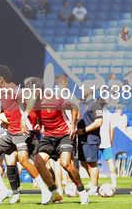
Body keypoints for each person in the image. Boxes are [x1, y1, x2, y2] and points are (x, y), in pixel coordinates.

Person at [0, 65, 53, 205]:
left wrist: (24, 117)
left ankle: (45, 190)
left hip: (21, 132)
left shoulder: (13, 89)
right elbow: (4, 108)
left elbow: (31, 98)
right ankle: (5, 191)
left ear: (0, 79)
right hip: (10, 132)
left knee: (23, 159)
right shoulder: (2, 91)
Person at [24, 77, 89, 205]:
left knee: (66, 164)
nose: (28, 93)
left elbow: (74, 106)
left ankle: (82, 191)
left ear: (38, 90)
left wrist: (73, 125)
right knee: (38, 162)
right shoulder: (31, 103)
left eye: (30, 90)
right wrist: (39, 124)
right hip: (48, 136)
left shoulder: (55, 99)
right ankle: (54, 193)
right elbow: (40, 116)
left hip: (64, 134)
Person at [77, 80, 104, 196]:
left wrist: (84, 130)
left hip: (91, 139)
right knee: (83, 163)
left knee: (92, 163)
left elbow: (99, 122)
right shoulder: (82, 104)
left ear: (91, 89)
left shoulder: (95, 104)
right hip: (81, 139)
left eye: (84, 87)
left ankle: (93, 188)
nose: (82, 89)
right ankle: (95, 184)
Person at [99, 105, 117, 187]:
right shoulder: (109, 114)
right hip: (106, 142)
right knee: (110, 162)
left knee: (92, 163)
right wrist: (111, 141)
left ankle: (95, 183)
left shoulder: (94, 113)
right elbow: (112, 129)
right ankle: (114, 182)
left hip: (96, 141)